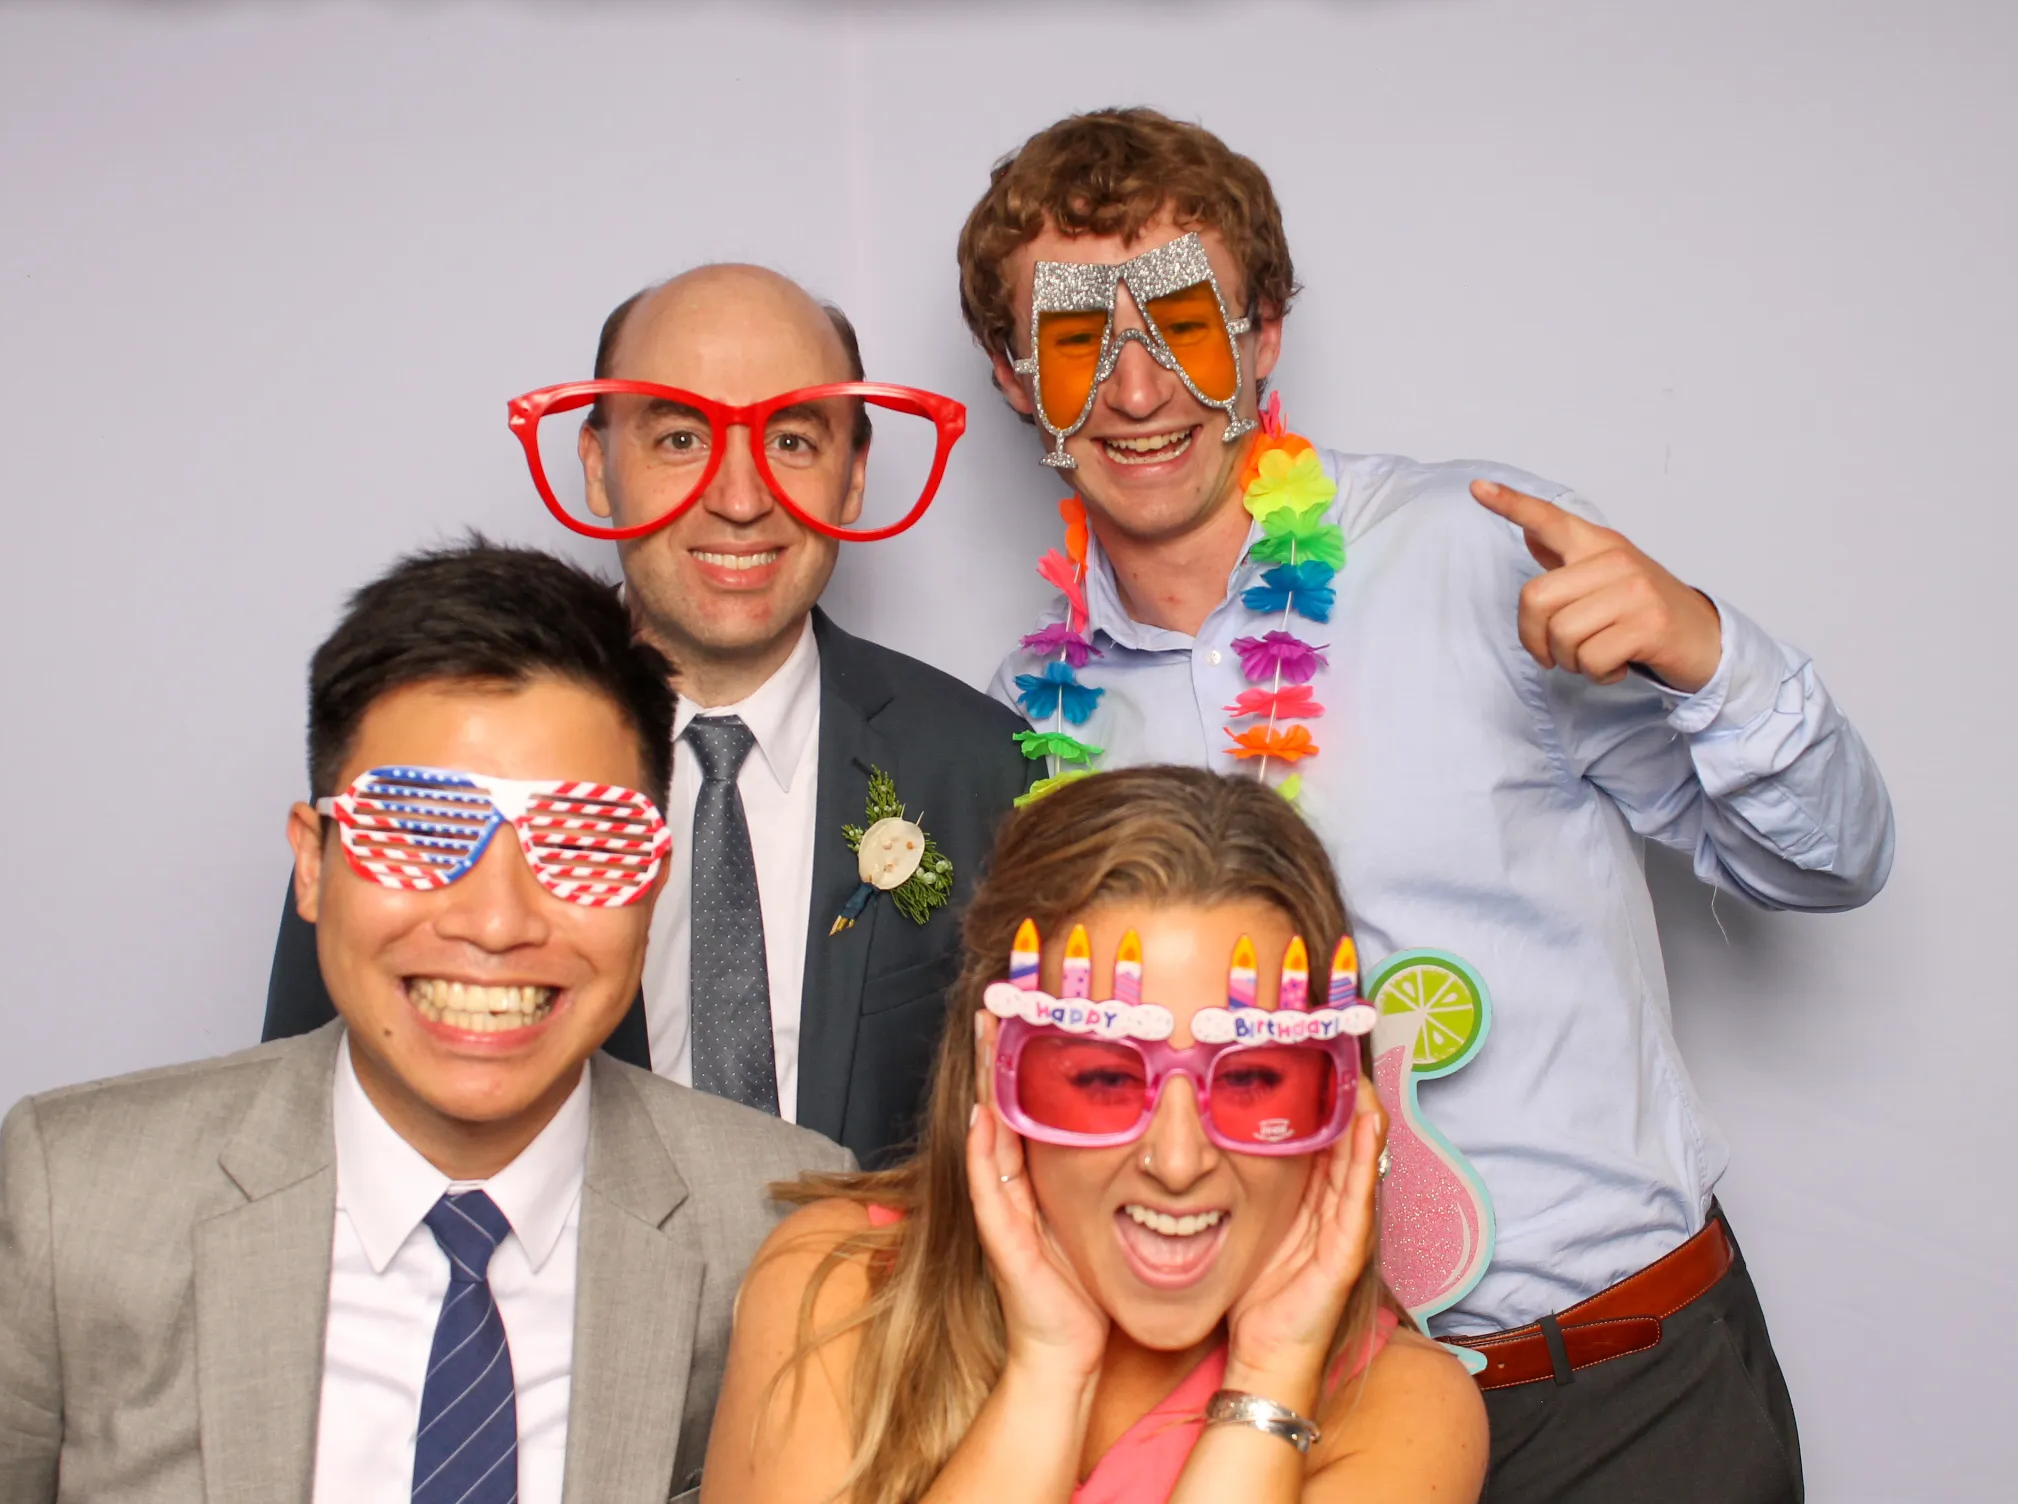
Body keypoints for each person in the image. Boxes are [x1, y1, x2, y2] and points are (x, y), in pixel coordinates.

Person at [967, 109, 1896, 1501]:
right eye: (1077, 340)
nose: (1138, 387)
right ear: (1012, 377)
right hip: (1295, 1431)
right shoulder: (1032, 720)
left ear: (1265, 336)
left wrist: (1708, 652)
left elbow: (1829, 866)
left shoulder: (1478, 555)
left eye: (1184, 326)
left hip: (1621, 1395)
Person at [0, 540, 851, 1503]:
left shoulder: (780, 1228)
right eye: (422, 832)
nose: (497, 923)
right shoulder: (77, 1206)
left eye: (581, 844)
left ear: (650, 883)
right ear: (313, 865)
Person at [265, 264, 1031, 1165]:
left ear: (853, 476)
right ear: (597, 468)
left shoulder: (982, 766)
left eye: (791, 441)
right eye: (679, 439)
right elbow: (297, 1118)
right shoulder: (431, 756)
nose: (740, 501)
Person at [702, 767, 1487, 1504]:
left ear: (1338, 1099)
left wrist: (1272, 1378)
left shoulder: (1408, 1407)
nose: (1177, 1162)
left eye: (1250, 1080)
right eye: (1105, 1079)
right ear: (995, 1071)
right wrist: (1047, 1373)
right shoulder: (834, 1290)